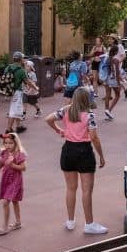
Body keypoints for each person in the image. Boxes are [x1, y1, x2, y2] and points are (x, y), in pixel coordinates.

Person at [45, 87, 107, 234]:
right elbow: (94, 137)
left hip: (68, 150)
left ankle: (70, 221)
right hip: (84, 151)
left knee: (71, 188)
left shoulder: (66, 110)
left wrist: (58, 130)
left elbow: (48, 119)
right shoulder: (89, 115)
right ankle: (89, 224)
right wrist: (101, 156)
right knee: (86, 190)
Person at [0, 132, 27, 236]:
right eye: (6, 143)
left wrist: (12, 164)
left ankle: (5, 227)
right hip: (6, 180)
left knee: (6, 202)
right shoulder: (4, 153)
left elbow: (23, 168)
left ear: (16, 143)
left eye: (11, 143)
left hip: (15, 181)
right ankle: (18, 222)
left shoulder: (19, 154)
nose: (8, 145)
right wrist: (0, 162)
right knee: (14, 201)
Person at [4, 52, 29, 134]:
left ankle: (19, 126)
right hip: (17, 92)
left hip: (9, 91)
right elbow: (26, 81)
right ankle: (8, 129)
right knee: (14, 110)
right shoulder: (21, 70)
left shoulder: (8, 67)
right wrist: (35, 87)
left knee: (18, 109)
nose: (24, 60)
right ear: (20, 59)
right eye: (23, 58)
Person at [100, 44, 125, 120]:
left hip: (107, 78)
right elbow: (117, 72)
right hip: (113, 79)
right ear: (116, 51)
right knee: (117, 95)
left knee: (108, 95)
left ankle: (107, 110)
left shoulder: (107, 58)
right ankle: (109, 110)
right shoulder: (116, 60)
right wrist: (118, 83)